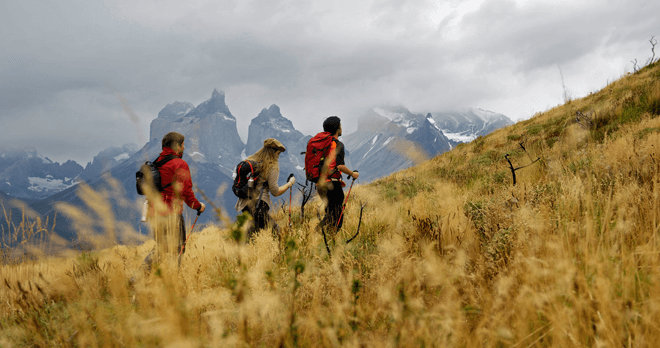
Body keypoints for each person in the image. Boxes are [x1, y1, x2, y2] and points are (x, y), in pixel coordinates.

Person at [144, 131, 205, 268]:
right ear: (176, 146)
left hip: (154, 213)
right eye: (183, 145)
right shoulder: (179, 164)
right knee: (177, 250)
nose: (184, 147)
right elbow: (186, 192)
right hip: (171, 214)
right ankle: (173, 281)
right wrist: (198, 206)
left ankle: (140, 278)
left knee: (161, 248)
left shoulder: (156, 163)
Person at [235, 138, 295, 240]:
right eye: (278, 153)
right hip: (259, 204)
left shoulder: (251, 160)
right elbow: (275, 192)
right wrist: (289, 184)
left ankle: (243, 253)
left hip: (244, 204)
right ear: (274, 153)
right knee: (275, 231)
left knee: (252, 234)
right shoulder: (272, 166)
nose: (278, 156)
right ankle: (279, 252)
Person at [317, 116, 359, 231]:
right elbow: (339, 166)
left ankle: (325, 240)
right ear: (337, 129)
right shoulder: (337, 144)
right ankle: (315, 234)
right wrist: (352, 174)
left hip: (320, 185)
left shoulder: (322, 144)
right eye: (340, 126)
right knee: (336, 217)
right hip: (332, 185)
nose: (341, 128)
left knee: (331, 214)